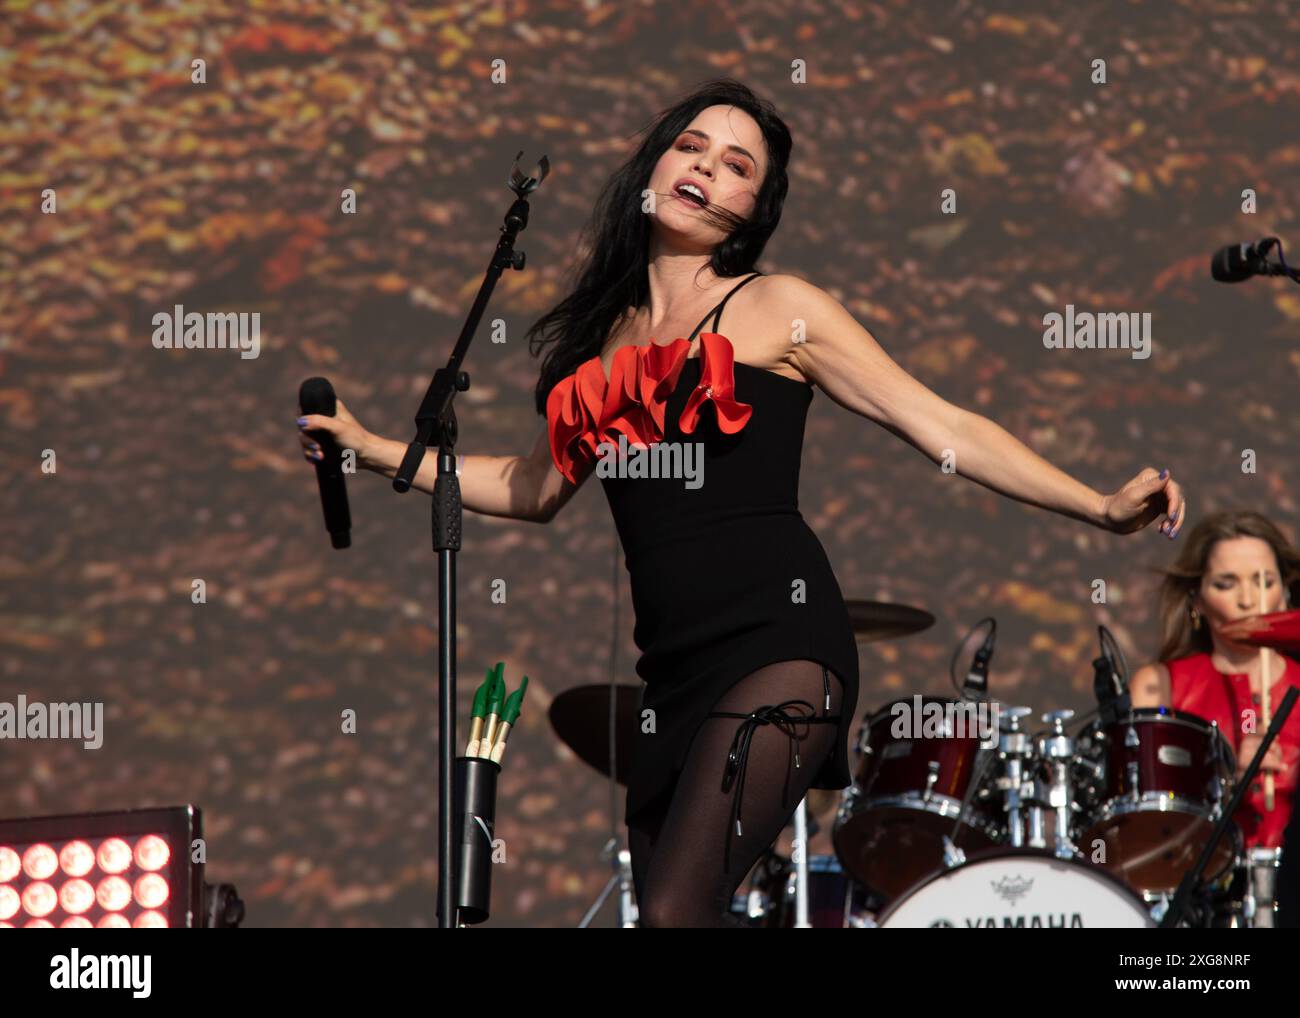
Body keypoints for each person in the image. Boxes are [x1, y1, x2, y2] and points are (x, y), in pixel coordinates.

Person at [296, 79, 1185, 927]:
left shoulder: (776, 309)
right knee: (672, 919)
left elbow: (939, 421)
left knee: (680, 912)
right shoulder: (595, 349)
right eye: (690, 147)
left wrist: (1099, 506)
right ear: (650, 169)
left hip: (782, 645)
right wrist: (377, 452)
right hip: (670, 675)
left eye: (736, 165)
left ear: (755, 210)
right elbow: (532, 490)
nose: (705, 168)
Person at [1131, 510, 1300, 850]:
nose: (1248, 600)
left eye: (1264, 582)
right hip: (1201, 882)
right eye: (1226, 583)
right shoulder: (1159, 685)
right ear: (1197, 601)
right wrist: (1223, 783)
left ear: (1284, 592)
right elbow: (1141, 819)